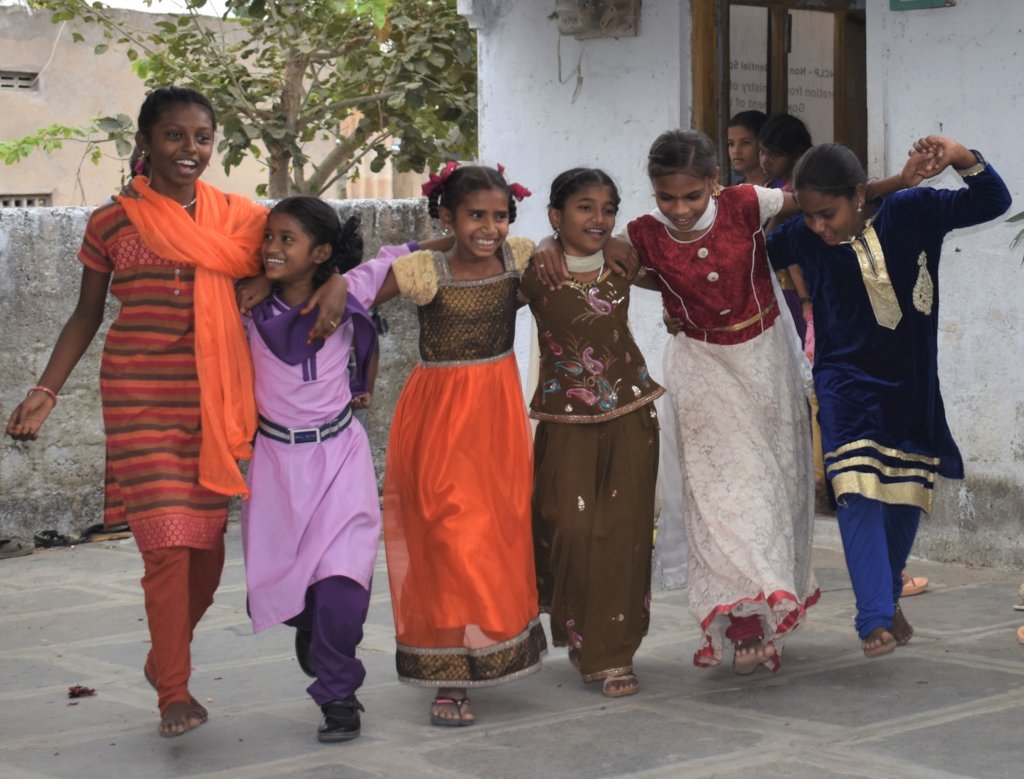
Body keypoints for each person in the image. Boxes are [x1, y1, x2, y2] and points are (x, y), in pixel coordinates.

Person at [4, 87, 343, 738]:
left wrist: (266, 279)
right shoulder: (112, 222)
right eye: (175, 136)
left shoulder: (242, 219)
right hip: (139, 394)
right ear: (146, 141)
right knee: (165, 548)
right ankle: (175, 694)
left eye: (203, 138)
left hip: (214, 401)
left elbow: (312, 255)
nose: (191, 149)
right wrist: (45, 391)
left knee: (207, 552)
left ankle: (165, 654)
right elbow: (87, 313)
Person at [766, 136, 1011, 657]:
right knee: (855, 490)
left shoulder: (915, 210)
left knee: (903, 500)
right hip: (842, 384)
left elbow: (994, 201)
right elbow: (743, 253)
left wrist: (961, 155)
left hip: (911, 386)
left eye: (826, 213)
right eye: (808, 215)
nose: (817, 227)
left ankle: (887, 593)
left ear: (858, 194)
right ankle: (873, 617)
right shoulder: (803, 239)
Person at [626, 129, 820, 674]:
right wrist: (669, 296)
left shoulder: (747, 203)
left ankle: (770, 597)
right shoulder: (641, 233)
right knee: (717, 491)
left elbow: (817, 195)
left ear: (715, 182)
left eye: (692, 195)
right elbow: (603, 256)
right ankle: (740, 621)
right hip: (699, 365)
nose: (680, 209)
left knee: (769, 484)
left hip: (764, 360)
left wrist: (902, 181)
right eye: (667, 198)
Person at [378, 164, 546, 727]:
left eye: (500, 216)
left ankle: (493, 646)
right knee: (445, 534)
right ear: (447, 216)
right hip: (437, 418)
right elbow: (354, 296)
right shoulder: (424, 270)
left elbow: (574, 261)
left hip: (496, 416)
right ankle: (448, 672)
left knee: (494, 532)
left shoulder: (519, 259)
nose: (489, 228)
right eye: (476, 215)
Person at [240, 197, 406, 742]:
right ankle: (312, 631)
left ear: (321, 253)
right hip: (276, 468)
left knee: (344, 589)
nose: (271, 248)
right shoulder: (245, 308)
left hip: (339, 457)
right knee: (293, 587)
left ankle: (338, 697)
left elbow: (417, 253)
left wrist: (343, 280)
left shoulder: (349, 292)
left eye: (287, 240)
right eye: (269, 237)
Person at [521, 168, 663, 698]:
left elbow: (677, 271)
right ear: (556, 216)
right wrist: (539, 243)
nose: (598, 218)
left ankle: (613, 653)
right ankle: (579, 630)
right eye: (584, 207)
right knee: (571, 531)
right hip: (564, 421)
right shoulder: (534, 270)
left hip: (631, 413)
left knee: (623, 537)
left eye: (608, 208)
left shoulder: (624, 262)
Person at [727, 110, 769, 186]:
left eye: (745, 143)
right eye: (731, 144)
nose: (736, 151)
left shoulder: (780, 189)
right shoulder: (739, 188)